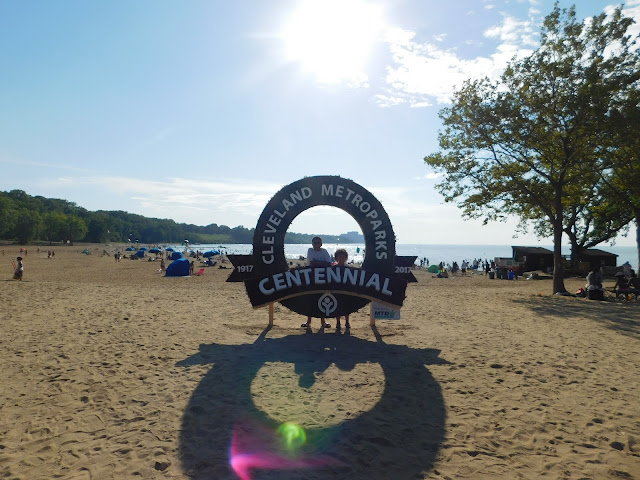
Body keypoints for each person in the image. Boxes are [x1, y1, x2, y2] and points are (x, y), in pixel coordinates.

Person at [301, 236, 331, 329]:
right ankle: (308, 322)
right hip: (312, 278)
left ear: (321, 244)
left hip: (323, 279)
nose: (316, 244)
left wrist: (318, 263)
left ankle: (323, 322)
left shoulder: (324, 251)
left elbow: (329, 264)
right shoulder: (310, 250)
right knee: (311, 300)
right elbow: (312, 263)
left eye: (318, 242)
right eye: (314, 242)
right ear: (312, 244)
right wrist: (322, 263)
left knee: (322, 299)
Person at [333, 248, 351, 329]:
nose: (341, 258)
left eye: (343, 257)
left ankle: (347, 322)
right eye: (340, 257)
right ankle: (338, 322)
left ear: (346, 258)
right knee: (337, 307)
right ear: (336, 258)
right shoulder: (333, 267)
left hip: (345, 290)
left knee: (346, 307)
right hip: (336, 290)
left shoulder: (348, 267)